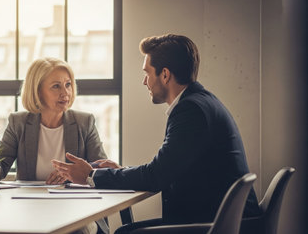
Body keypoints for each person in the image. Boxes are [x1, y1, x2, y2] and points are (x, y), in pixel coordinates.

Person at [52, 34, 262, 233]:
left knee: (125, 233)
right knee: (127, 231)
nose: (145, 82)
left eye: (147, 73)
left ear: (164, 74)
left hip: (218, 225)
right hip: (222, 220)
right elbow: (166, 169)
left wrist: (90, 175)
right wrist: (121, 171)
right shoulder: (201, 101)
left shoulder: (191, 110)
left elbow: (156, 176)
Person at [0, 57, 109, 234]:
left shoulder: (84, 122)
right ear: (38, 91)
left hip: (76, 210)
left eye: (68, 84)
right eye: (56, 86)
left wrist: (73, 173)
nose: (65, 93)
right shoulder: (19, 122)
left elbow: (103, 168)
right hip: (29, 209)